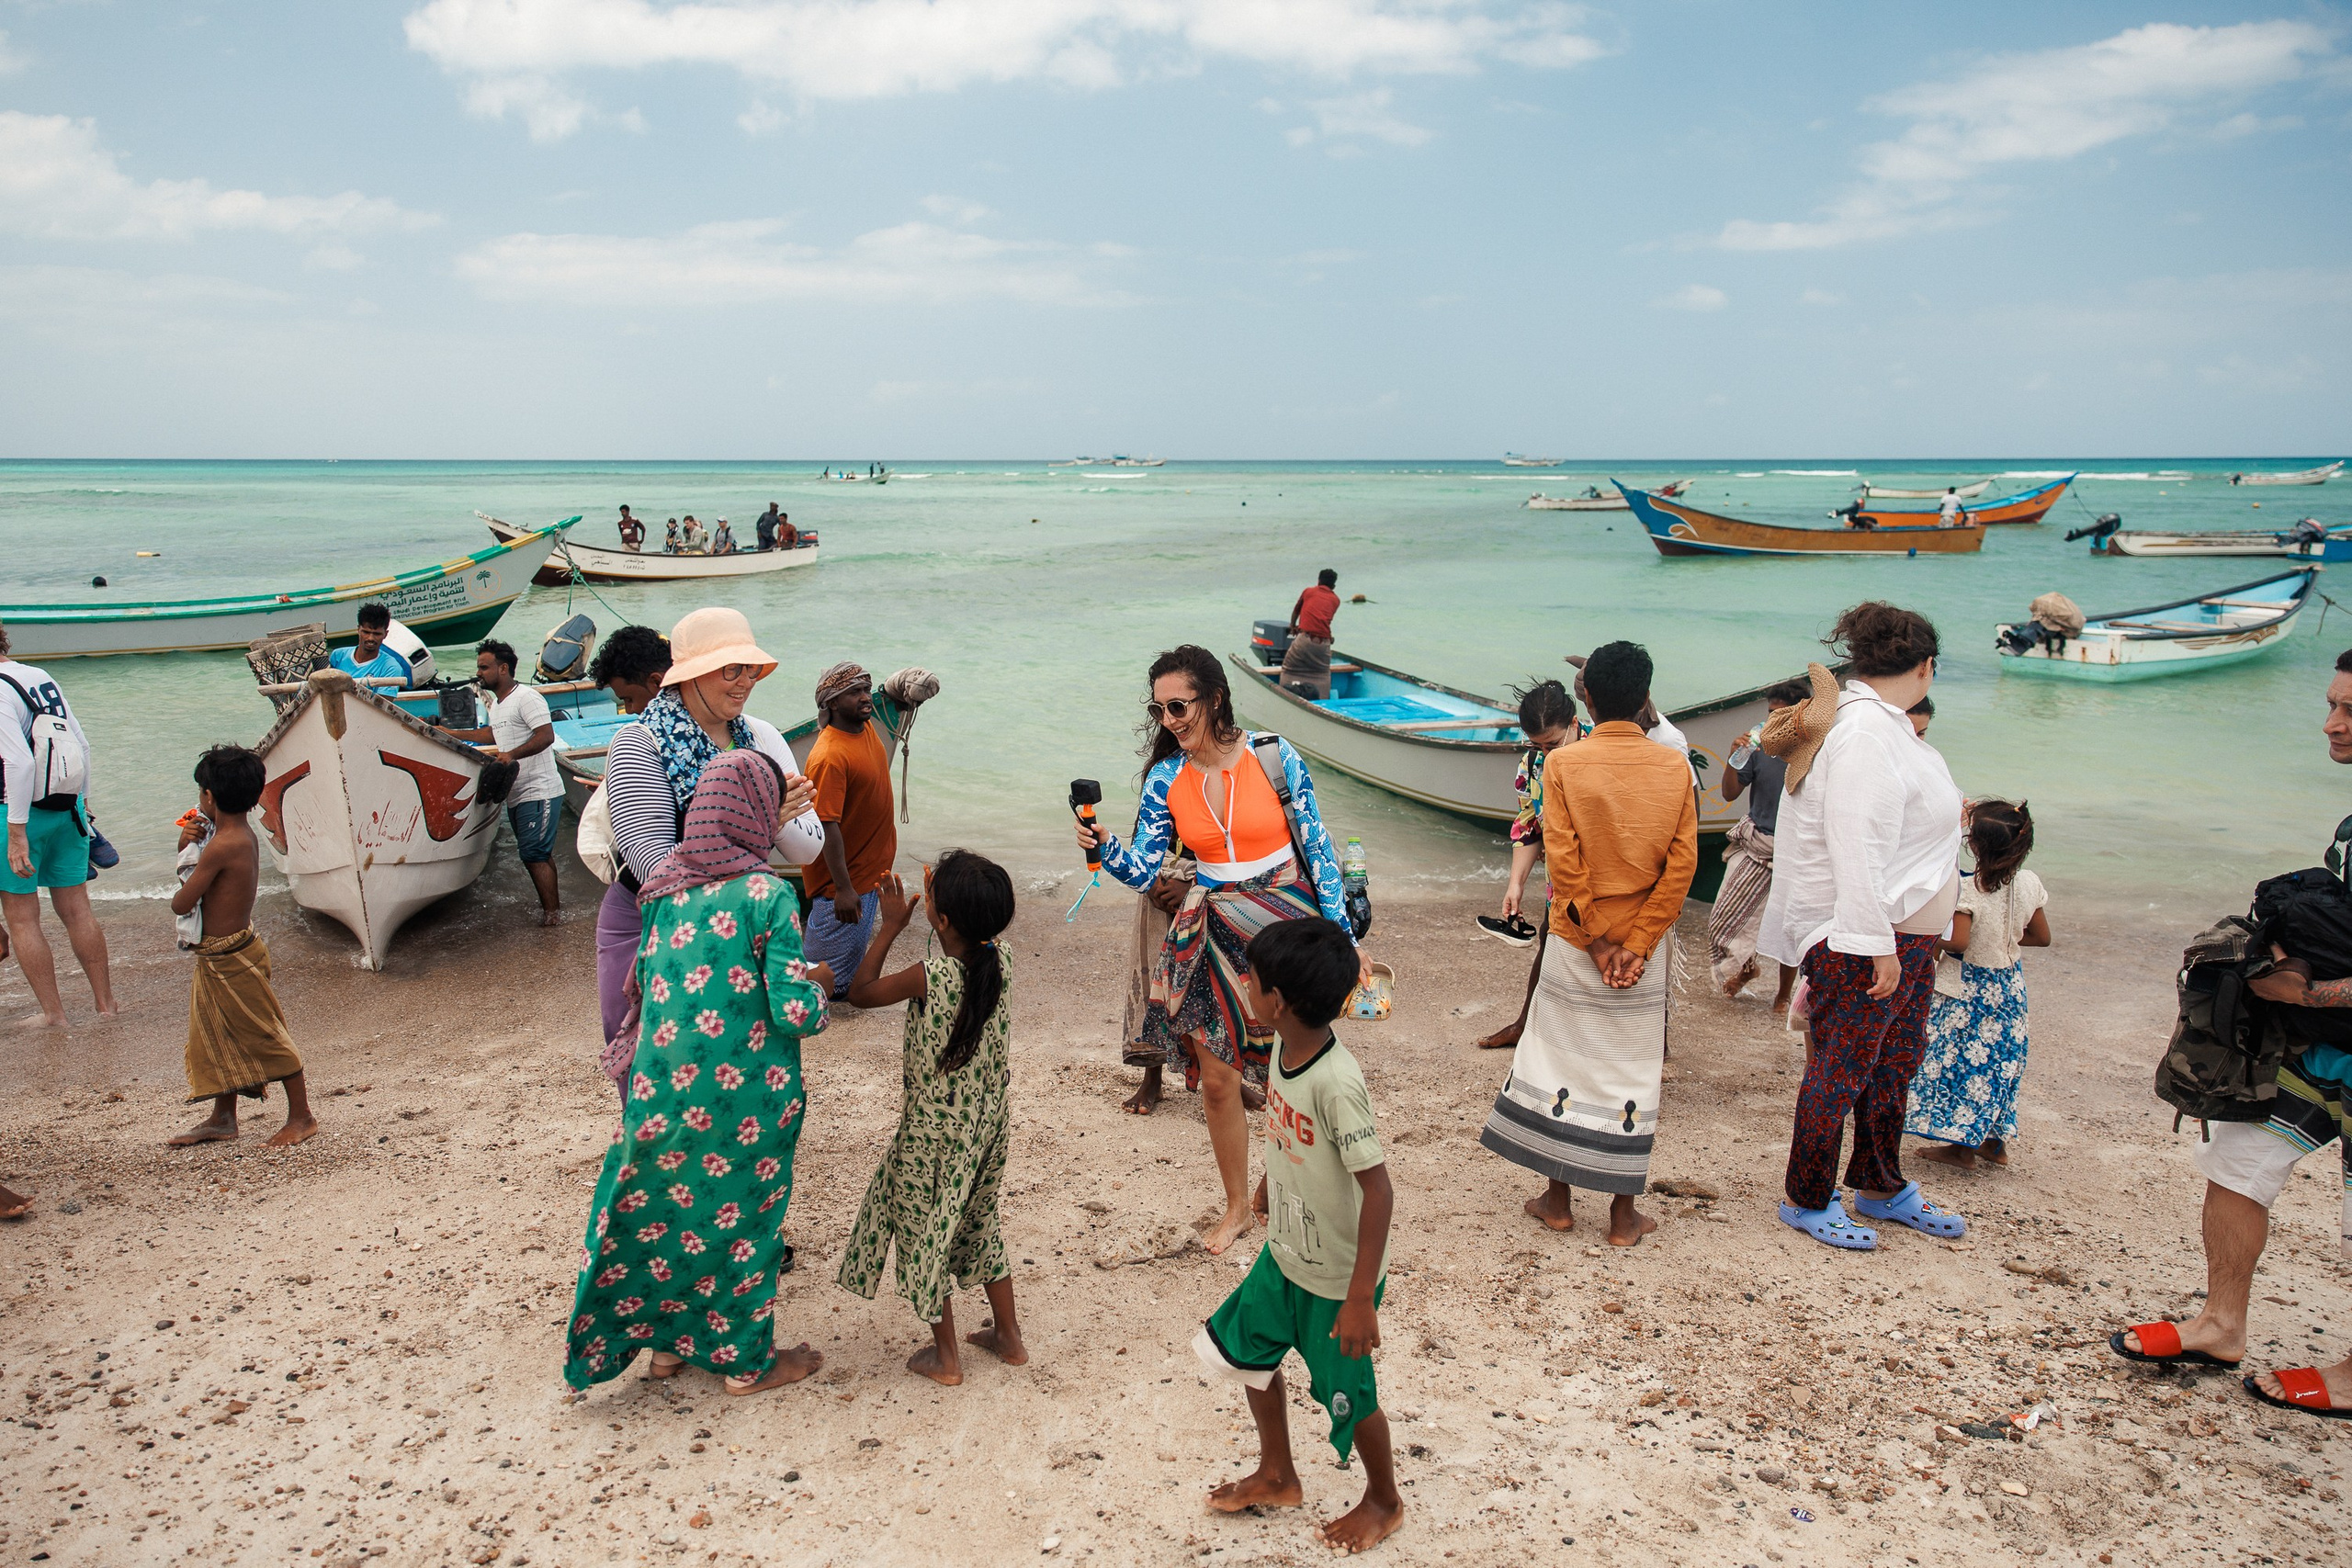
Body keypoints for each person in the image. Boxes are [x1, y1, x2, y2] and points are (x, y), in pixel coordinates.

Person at [2109, 651, 2352, 1420]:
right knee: (2239, 1155)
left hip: (2326, 1019)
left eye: (2348, 709)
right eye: (2329, 702)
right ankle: (2220, 1324)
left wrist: (2307, 987)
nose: (2330, 723)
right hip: (2325, 1045)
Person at [562, 750, 835, 1396]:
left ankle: (668, 1351)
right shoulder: (768, 894)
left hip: (661, 1093)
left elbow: (651, 990)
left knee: (673, 1214)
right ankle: (747, 1363)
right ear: (756, 813)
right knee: (743, 1222)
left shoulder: (661, 891)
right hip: (747, 1100)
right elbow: (794, 1012)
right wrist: (822, 986)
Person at [1081, 644, 1364, 1256]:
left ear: (1212, 698)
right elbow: (1145, 870)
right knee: (1217, 1079)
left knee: (1298, 1066)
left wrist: (1343, 933)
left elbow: (1318, 847)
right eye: (1159, 710)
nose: (1170, 720)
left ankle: (1274, 1182)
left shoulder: (1273, 755)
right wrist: (1104, 845)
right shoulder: (1166, 779)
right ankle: (1238, 1204)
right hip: (1210, 926)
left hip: (1288, 924)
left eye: (1179, 705)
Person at [1758, 604, 1967, 1252]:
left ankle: (1879, 1180)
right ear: (1927, 666)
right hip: (1862, 936)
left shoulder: (1884, 727)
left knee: (1894, 1064)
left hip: (1899, 938)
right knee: (1842, 1069)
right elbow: (1855, 841)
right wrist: (1874, 943)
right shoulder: (1867, 734)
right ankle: (1807, 1196)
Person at [1194, 917, 1401, 1554]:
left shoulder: (1336, 1081)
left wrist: (1361, 1294)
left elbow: (1379, 1189)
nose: (1246, 988)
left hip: (1336, 1276)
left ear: (1276, 1001)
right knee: (1248, 1352)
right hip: (1283, 1254)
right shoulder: (1285, 1051)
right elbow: (1290, 1135)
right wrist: (1264, 1186)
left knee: (1350, 1394)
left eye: (1252, 981)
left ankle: (1384, 1498)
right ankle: (1279, 1471)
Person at [1479, 641, 1696, 1246]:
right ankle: (1624, 1215)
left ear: (1588, 698)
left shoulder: (1564, 768)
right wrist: (1642, 940)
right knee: (1632, 1070)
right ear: (1645, 695)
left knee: (1560, 1062)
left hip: (1579, 940)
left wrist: (1598, 943)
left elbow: (1567, 869)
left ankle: (1557, 1200)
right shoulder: (1675, 767)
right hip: (1644, 946)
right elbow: (1681, 867)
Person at [837, 853, 1028, 1386]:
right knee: (977, 1221)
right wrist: (945, 906)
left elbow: (859, 993)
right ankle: (1008, 1337)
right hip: (988, 1125)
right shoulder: (1003, 959)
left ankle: (945, 1356)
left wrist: (892, 925)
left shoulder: (930, 976)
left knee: (925, 1229)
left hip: (932, 1131)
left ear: (940, 919)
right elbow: (970, 933)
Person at [599, 610, 822, 1046]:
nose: (745, 682)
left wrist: (768, 822)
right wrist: (761, 821)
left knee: (730, 1058)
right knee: (652, 1057)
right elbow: (654, 868)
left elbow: (808, 851)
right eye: (731, 670)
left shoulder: (758, 737)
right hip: (648, 920)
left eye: (750, 669)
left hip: (739, 922)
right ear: (689, 674)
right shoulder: (638, 742)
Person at [165, 746, 316, 1148]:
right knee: (215, 1033)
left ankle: (302, 1116)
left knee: (264, 1033)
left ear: (210, 797)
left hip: (229, 956)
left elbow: (183, 902)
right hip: (226, 952)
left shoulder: (220, 845)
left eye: (201, 793)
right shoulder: (239, 835)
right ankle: (223, 1116)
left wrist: (184, 848)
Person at [1908, 800, 2049, 1172]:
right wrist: (2006, 940)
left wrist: (1927, 936)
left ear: (1975, 846)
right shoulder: (2030, 883)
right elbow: (2042, 936)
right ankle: (1993, 1144)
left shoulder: (1968, 889)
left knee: (1959, 1062)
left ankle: (1960, 1150)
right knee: (1998, 1064)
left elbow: (1959, 943)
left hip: (1969, 992)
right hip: (2009, 987)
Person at [0, 623, 117, 1029]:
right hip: (66, 808)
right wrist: (83, 804)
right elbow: (80, 744)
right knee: (77, 909)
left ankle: (55, 1015)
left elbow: (18, 763)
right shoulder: (39, 677)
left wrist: (16, 833)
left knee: (22, 918)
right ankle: (106, 1006)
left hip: (15, 813)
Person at [1474, 680, 1577, 1051]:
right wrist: (1515, 885)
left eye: (1554, 743)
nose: (1547, 753)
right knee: (1549, 942)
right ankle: (1527, 1024)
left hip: (1606, 881)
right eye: (1538, 745)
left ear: (1576, 724)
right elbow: (1529, 825)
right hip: (1560, 880)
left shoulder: (1600, 752)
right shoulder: (1532, 764)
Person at [438, 640, 563, 927]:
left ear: (503, 668)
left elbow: (546, 736)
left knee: (534, 854)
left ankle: (552, 918)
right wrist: (449, 732)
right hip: (517, 793)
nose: (478, 673)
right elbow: (491, 735)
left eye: (484, 667)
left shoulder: (527, 698)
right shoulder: (497, 704)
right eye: (478, 667)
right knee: (537, 854)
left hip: (540, 789)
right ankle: (553, 911)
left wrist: (512, 755)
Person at [1707, 677, 1809, 1006]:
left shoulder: (1814, 750)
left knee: (1788, 929)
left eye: (1781, 715)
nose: (1772, 720)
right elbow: (1729, 793)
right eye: (1769, 713)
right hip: (1757, 844)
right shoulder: (1758, 746)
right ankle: (1747, 968)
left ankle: (1782, 996)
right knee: (1727, 917)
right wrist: (1732, 756)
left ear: (1799, 715)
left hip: (1797, 850)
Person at [802, 663, 897, 1000]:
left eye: (866, 689)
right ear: (831, 703)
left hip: (868, 871)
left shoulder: (865, 727)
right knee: (821, 987)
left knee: (845, 977)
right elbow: (827, 824)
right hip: (842, 885)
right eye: (853, 692)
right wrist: (842, 888)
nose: (864, 698)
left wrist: (899, 695)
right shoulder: (829, 755)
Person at [1280, 570, 1341, 699]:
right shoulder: (1336, 600)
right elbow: (1321, 620)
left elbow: (1297, 611)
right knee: (1323, 673)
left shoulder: (1309, 592)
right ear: (1334, 586)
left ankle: (1285, 697)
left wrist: (1292, 626)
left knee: (1289, 668)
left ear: (1318, 581)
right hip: (1324, 645)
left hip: (1305, 640)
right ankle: (1323, 703)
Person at [327, 604, 413, 688]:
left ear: (385, 634)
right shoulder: (338, 655)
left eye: (377, 634)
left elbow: (382, 702)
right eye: (366, 632)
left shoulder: (392, 668)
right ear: (358, 630)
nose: (370, 638)